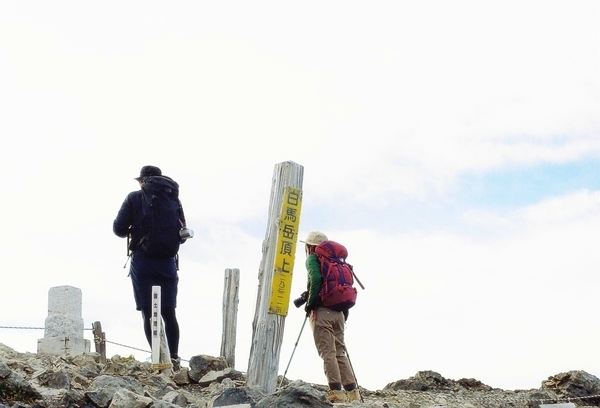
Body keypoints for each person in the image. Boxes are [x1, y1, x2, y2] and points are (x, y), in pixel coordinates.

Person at [113, 165, 186, 369]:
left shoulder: (134, 198)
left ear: (142, 180)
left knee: (148, 312)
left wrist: (135, 230)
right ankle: (174, 357)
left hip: (142, 259)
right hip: (168, 261)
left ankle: (157, 358)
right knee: (169, 312)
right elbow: (182, 232)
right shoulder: (173, 198)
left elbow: (118, 229)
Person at [301, 231, 360, 403]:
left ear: (310, 245)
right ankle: (353, 393)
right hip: (340, 312)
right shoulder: (338, 261)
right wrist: (344, 312)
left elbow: (316, 279)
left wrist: (310, 304)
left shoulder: (313, 259)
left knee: (328, 353)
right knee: (340, 352)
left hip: (322, 312)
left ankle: (336, 392)